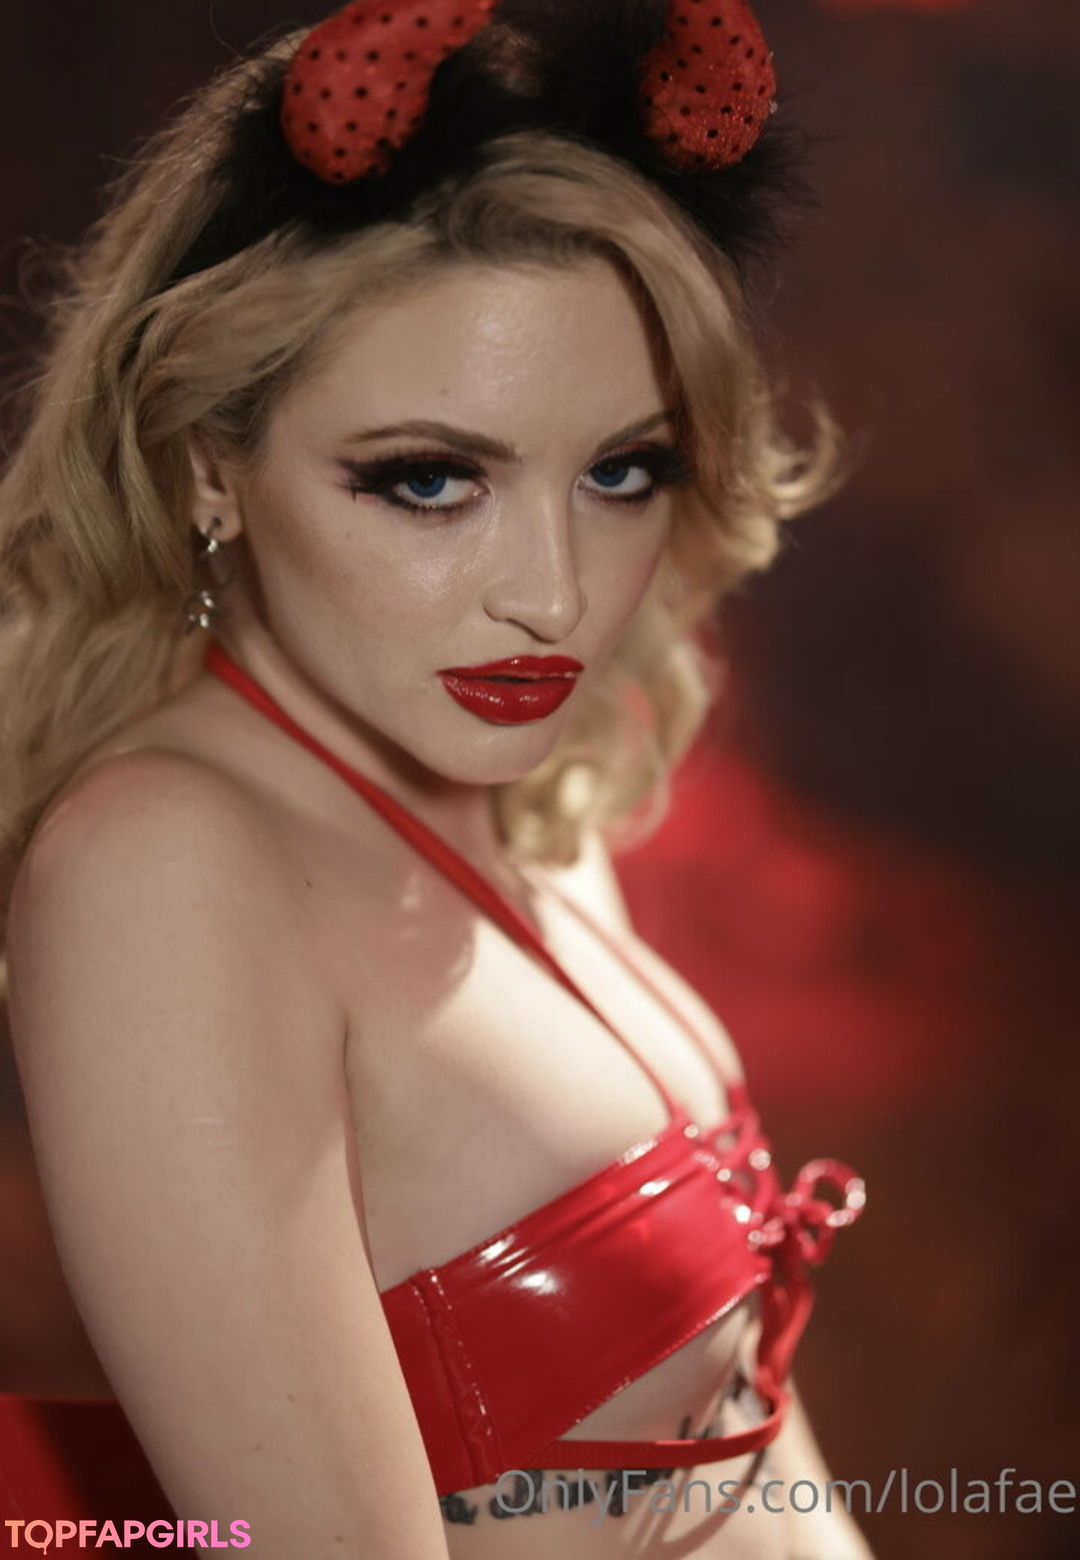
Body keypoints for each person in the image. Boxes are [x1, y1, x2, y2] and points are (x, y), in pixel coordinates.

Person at [0, 1, 871, 1555]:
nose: (553, 594)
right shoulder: (161, 868)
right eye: (429, 480)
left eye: (622, 471)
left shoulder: (510, 779)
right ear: (208, 464)